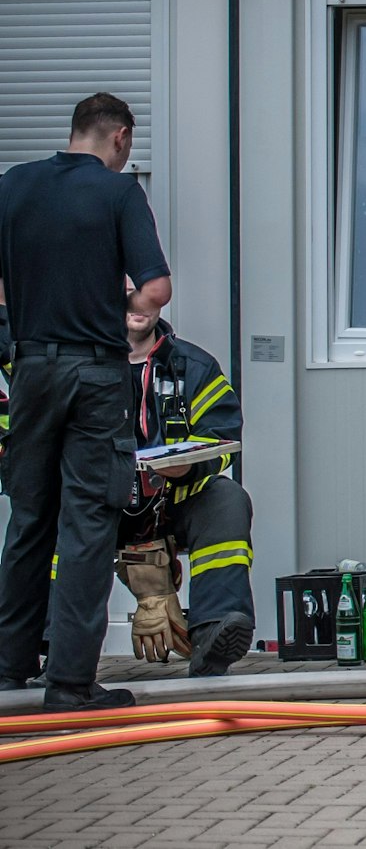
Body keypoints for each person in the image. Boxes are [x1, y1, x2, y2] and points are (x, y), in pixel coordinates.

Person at [0, 93, 172, 711]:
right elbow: (155, 288)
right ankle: (70, 686)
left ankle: (8, 668)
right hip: (96, 376)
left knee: (28, 520)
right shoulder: (118, 193)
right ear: (120, 138)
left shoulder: (13, 186)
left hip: (31, 370)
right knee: (88, 523)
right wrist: (127, 309)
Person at [117, 301, 252, 677]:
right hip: (102, 500)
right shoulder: (83, 364)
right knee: (54, 515)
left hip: (173, 497)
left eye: (144, 292)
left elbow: (222, 436)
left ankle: (215, 631)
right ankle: (53, 646)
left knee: (227, 499)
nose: (135, 303)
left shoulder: (195, 366)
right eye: (124, 292)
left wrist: (191, 465)